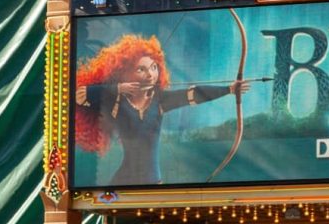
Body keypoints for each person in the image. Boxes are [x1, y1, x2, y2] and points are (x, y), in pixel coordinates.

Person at [74, 35, 249, 185]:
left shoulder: (159, 101)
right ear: (125, 73)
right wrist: (118, 88)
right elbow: (80, 96)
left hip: (153, 182)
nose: (150, 74)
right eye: (141, 69)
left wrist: (229, 90)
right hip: (123, 183)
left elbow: (193, 94)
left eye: (153, 67)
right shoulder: (116, 102)